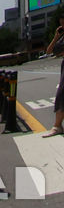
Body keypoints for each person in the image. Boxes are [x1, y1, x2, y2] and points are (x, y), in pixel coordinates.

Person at [42, 9, 64, 137]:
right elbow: (49, 51)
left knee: (61, 95)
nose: (62, 26)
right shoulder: (61, 38)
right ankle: (57, 126)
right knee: (61, 95)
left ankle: (57, 126)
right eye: (61, 24)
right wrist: (56, 37)